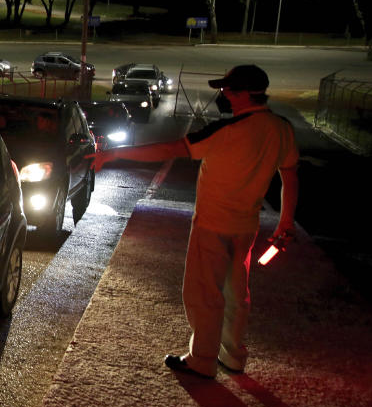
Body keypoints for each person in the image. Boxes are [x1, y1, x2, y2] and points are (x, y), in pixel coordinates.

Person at [88, 65, 299, 379]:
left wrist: (115, 154)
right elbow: (290, 174)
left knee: (204, 295)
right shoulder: (282, 128)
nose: (223, 95)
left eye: (227, 90)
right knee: (236, 294)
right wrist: (285, 222)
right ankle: (234, 356)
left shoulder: (226, 131)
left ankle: (202, 359)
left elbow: (169, 149)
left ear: (243, 93)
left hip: (213, 225)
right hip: (247, 227)